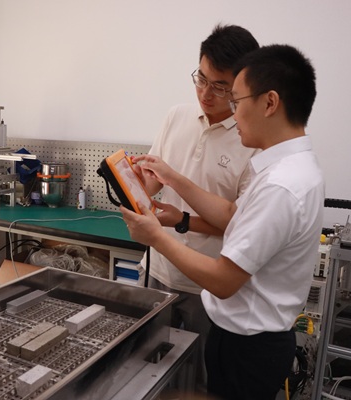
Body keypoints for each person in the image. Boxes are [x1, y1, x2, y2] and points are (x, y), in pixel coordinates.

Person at [122, 44, 324, 400]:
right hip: (249, 340)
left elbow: (223, 280)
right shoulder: (288, 169)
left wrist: (156, 236)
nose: (233, 110)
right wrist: (173, 179)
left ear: (269, 103)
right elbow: (233, 215)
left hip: (248, 346)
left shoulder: (280, 185)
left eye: (237, 99)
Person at [134, 24, 259, 388]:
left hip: (207, 285)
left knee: (197, 381)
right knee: (142, 373)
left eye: (220, 86)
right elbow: (153, 183)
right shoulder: (177, 116)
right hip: (157, 271)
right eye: (201, 78)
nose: (205, 93)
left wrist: (183, 221)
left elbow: (238, 224)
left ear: (242, 85)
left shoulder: (252, 143)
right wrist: (133, 180)